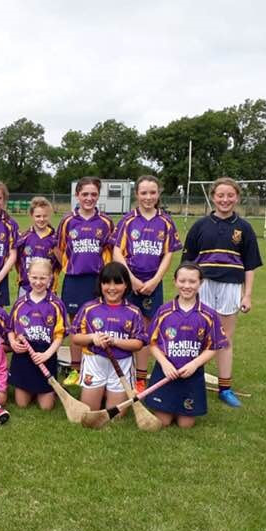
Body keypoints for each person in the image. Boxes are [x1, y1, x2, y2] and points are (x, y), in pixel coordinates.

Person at [182, 177, 262, 407]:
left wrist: (247, 295)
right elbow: (187, 263)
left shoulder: (244, 228)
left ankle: (225, 389)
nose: (225, 200)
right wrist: (187, 289)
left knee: (224, 338)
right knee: (196, 335)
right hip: (203, 285)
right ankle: (190, 381)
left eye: (230, 195)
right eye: (220, 195)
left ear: (237, 197)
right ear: (213, 197)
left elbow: (250, 265)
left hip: (231, 286)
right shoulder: (200, 226)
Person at [112, 174, 182, 391]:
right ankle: (121, 373)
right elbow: (117, 251)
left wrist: (155, 280)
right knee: (123, 325)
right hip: (128, 281)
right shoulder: (127, 220)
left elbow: (168, 254)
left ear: (159, 194)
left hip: (152, 282)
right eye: (144, 193)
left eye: (153, 192)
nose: (148, 197)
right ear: (137, 194)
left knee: (146, 330)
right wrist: (131, 279)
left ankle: (141, 377)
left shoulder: (166, 221)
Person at [145, 262, 228, 428]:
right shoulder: (164, 311)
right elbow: (152, 343)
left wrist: (194, 364)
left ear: (200, 283)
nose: (187, 286)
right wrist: (165, 364)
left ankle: (180, 409)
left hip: (191, 376)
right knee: (163, 421)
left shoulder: (208, 315)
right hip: (166, 374)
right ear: (175, 282)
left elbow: (213, 347)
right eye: (182, 281)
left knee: (186, 424)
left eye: (192, 281)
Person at [56, 177, 114, 386]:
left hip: (97, 280)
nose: (89, 198)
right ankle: (75, 369)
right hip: (74, 280)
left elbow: (111, 250)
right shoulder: (67, 221)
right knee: (75, 326)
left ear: (98, 196)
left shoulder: (106, 222)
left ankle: (96, 367)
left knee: (98, 322)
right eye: (85, 194)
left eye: (93, 194)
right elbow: (58, 248)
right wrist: (68, 265)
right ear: (77, 195)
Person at [70, 262, 147, 417]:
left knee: (115, 417)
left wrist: (115, 341)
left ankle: (109, 392)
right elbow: (75, 338)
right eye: (107, 283)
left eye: (117, 283)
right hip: (95, 363)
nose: (112, 288)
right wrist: (92, 337)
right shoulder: (89, 308)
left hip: (122, 365)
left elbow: (138, 344)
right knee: (89, 412)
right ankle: (100, 391)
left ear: (126, 285)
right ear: (100, 284)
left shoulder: (134, 312)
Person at [8, 258, 67, 411]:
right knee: (22, 404)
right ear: (28, 276)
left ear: (50, 278)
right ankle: (30, 389)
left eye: (43, 278)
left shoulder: (56, 304)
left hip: (45, 356)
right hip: (24, 357)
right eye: (34, 277)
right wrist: (13, 342)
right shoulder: (20, 303)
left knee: (46, 407)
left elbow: (59, 336)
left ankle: (49, 390)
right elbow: (10, 329)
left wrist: (47, 354)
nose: (38, 282)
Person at [15, 196, 59, 298]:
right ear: (31, 216)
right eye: (38, 216)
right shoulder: (23, 237)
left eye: (45, 216)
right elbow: (17, 261)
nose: (41, 219)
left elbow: (63, 263)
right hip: (26, 288)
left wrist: (56, 249)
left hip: (49, 289)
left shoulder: (55, 238)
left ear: (49, 215)